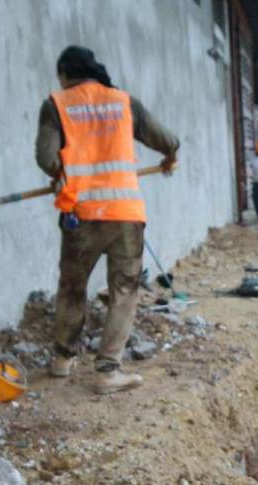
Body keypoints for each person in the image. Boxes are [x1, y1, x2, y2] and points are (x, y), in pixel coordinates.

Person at [36, 45, 179, 394]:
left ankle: (62, 359)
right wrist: (169, 156)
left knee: (72, 286)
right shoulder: (123, 102)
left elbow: (46, 159)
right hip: (124, 216)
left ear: (66, 73)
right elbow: (167, 140)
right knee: (124, 291)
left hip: (80, 216)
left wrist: (64, 173)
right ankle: (107, 371)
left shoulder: (56, 104)